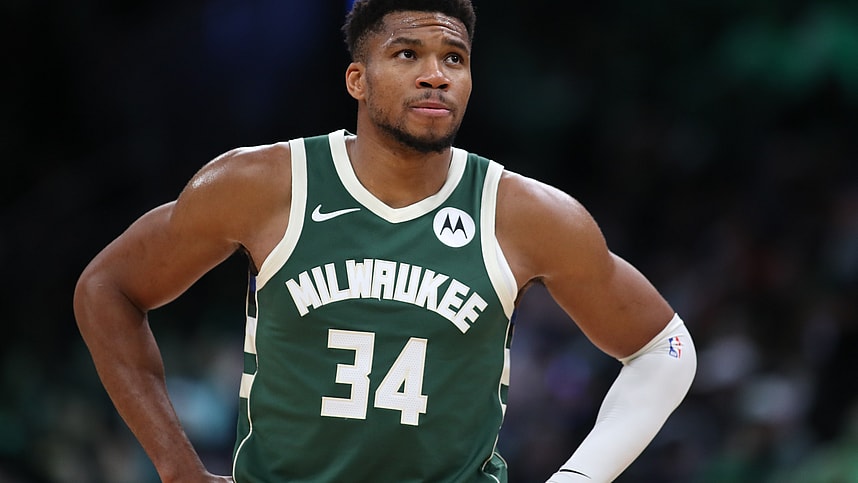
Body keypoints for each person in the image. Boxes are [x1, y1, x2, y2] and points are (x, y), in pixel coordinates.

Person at [73, 0, 697, 481]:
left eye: (454, 59)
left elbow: (664, 350)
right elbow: (108, 288)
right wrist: (177, 466)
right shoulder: (260, 185)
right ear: (357, 80)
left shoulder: (525, 214)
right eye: (407, 55)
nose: (435, 76)